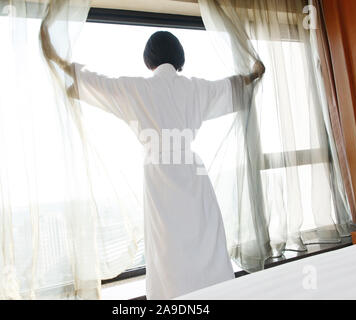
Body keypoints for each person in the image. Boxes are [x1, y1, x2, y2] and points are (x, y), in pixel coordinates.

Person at [40, 27, 265, 299]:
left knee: (167, 247)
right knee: (205, 238)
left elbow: (101, 83)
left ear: (149, 60)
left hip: (160, 174)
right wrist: (254, 73)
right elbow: (231, 85)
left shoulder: (140, 89)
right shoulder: (194, 87)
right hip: (192, 172)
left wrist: (60, 61)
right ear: (179, 58)